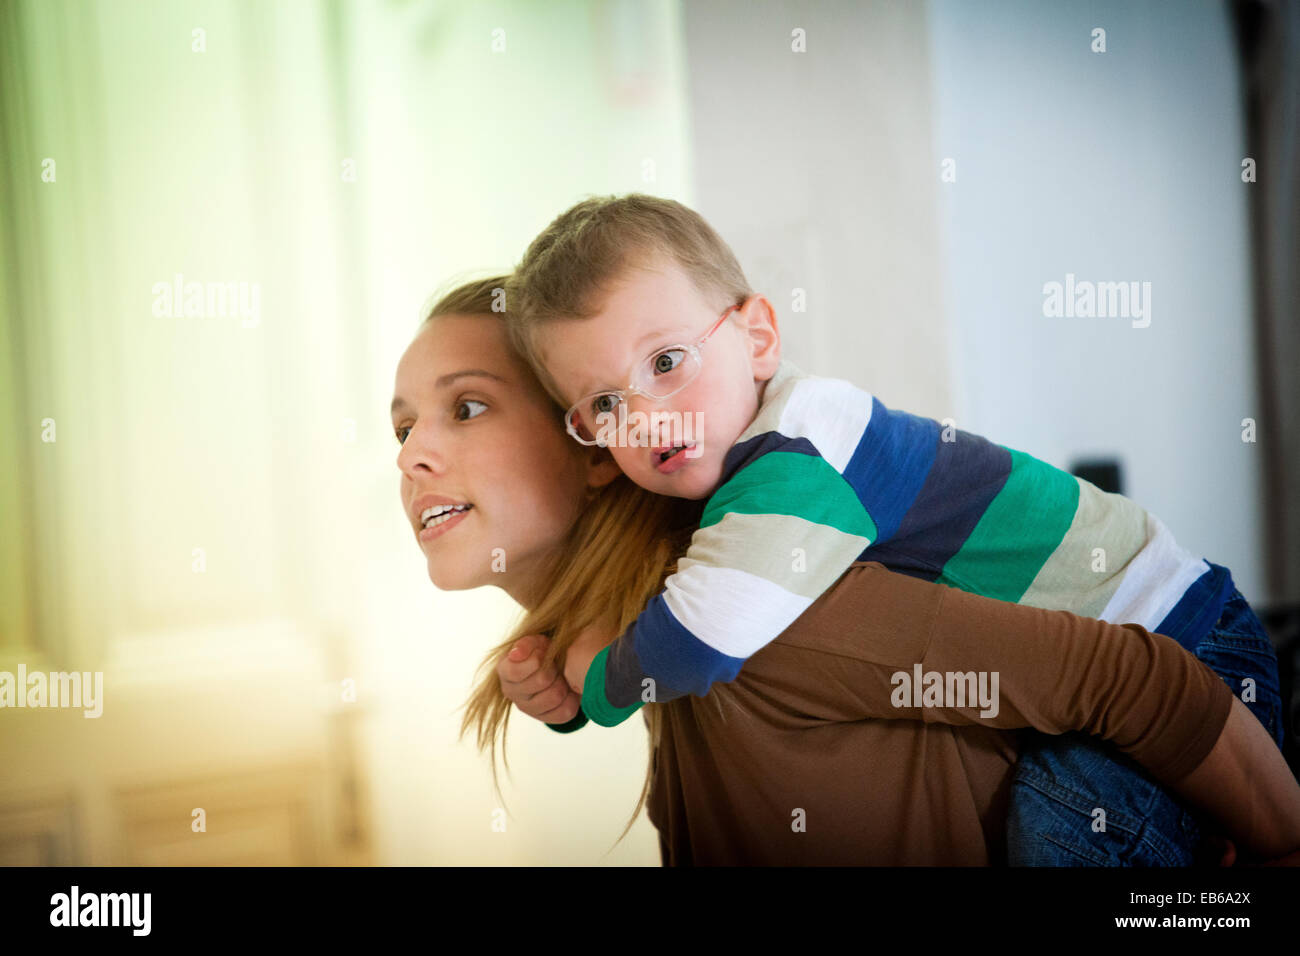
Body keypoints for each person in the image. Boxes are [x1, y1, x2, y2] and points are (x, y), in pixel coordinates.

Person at [393, 274, 1300, 865]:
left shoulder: (755, 608)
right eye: (401, 427)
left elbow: (1142, 684)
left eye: (465, 408)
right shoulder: (668, 638)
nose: (410, 455)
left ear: (590, 451)